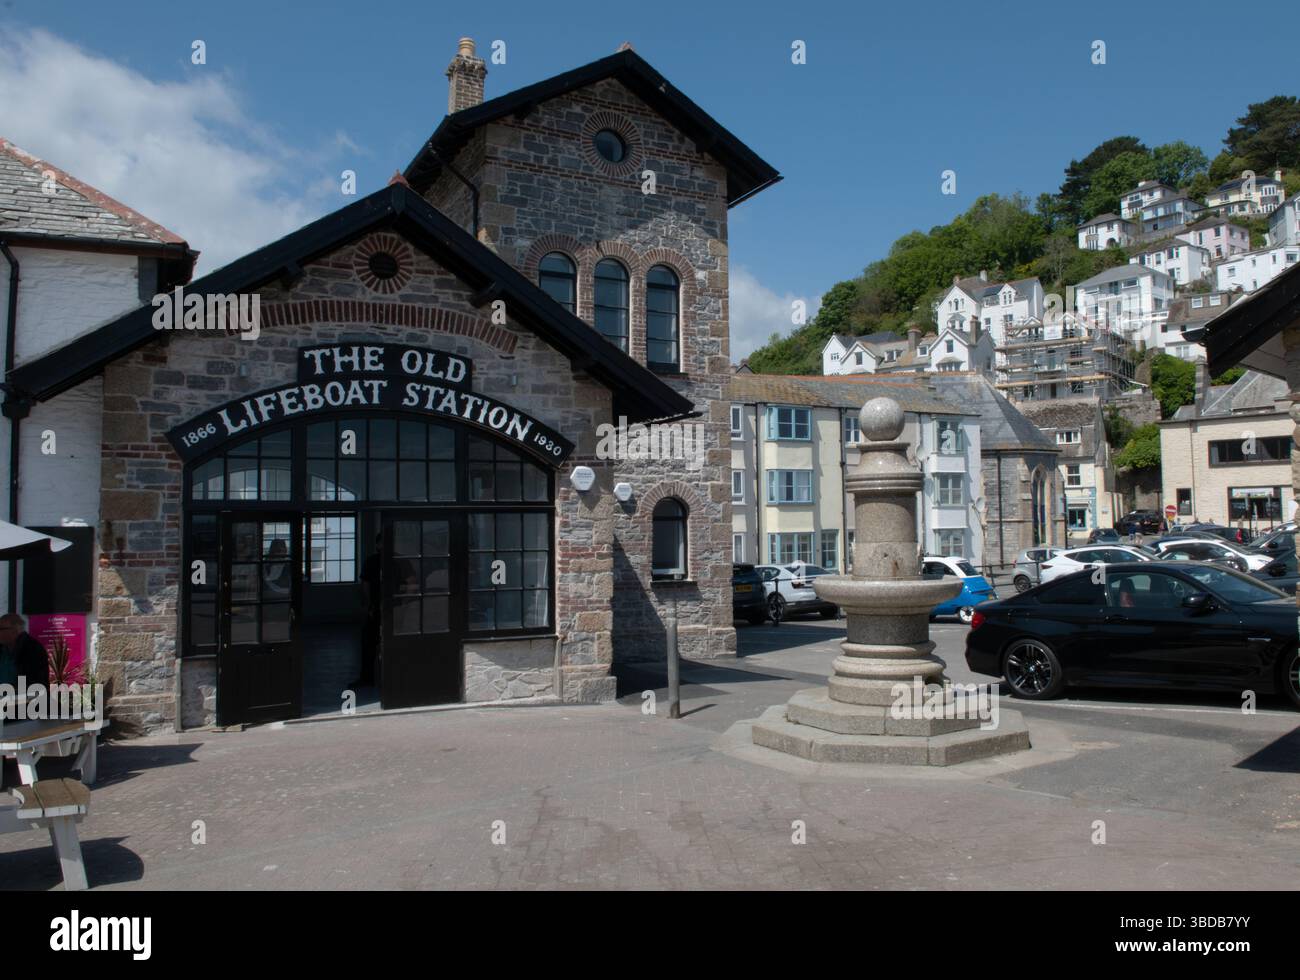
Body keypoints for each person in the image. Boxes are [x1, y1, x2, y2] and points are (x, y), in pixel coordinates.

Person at [0, 613, 49, 691]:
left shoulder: (32, 649)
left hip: (25, 699)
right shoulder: (3, 648)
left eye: (1, 629)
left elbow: (34, 680)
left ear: (15, 630)